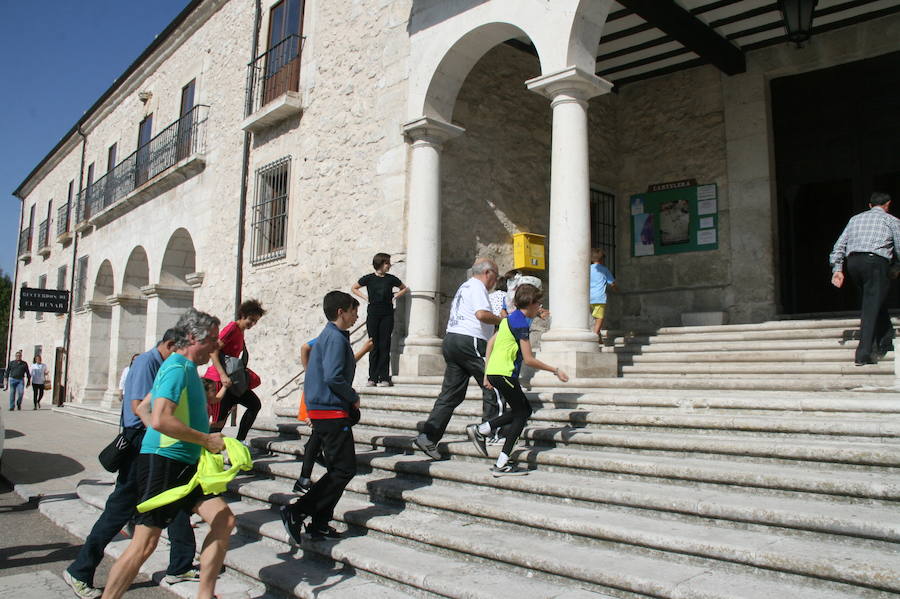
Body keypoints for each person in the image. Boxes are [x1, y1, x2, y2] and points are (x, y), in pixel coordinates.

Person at [100, 309, 234, 599]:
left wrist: (161, 437)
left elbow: (144, 408)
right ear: (191, 337)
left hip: (186, 463)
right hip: (165, 465)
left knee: (224, 520)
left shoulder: (184, 370)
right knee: (144, 544)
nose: (216, 346)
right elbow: (159, 418)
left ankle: (204, 595)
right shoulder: (176, 369)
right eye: (211, 339)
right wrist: (203, 439)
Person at [64, 329, 198, 599]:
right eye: (179, 349)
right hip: (142, 444)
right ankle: (80, 570)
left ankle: (180, 564)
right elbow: (140, 406)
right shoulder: (147, 363)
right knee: (119, 508)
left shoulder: (163, 363)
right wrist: (161, 441)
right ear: (171, 344)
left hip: (151, 444)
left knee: (175, 500)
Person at [281, 291, 360, 542]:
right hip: (331, 410)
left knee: (338, 469)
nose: (357, 316)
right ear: (341, 312)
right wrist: (352, 395)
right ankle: (297, 511)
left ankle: (319, 523)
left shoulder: (326, 336)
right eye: (353, 310)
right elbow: (334, 376)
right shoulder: (335, 338)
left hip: (324, 410)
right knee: (344, 469)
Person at [466, 284, 569, 476]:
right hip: (505, 373)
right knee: (521, 414)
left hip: (497, 372)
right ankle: (501, 462)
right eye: (538, 303)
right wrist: (555, 370)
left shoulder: (509, 319)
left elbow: (491, 343)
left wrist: (488, 373)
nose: (540, 306)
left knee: (523, 410)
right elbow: (529, 359)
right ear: (530, 303)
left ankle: (483, 429)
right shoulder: (521, 325)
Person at [414, 258, 502, 460]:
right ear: (488, 273)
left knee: (451, 394)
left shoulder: (465, 286)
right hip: (470, 340)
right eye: (495, 277)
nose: (495, 282)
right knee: (494, 383)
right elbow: (481, 314)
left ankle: (428, 437)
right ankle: (490, 434)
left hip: (452, 340)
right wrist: (502, 321)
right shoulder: (478, 287)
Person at [293, 337, 372, 495]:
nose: (355, 317)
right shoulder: (330, 338)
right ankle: (304, 479)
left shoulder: (338, 339)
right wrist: (309, 373)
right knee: (318, 437)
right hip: (322, 397)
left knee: (320, 435)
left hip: (324, 397)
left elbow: (343, 367)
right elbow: (304, 347)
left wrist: (364, 350)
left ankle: (305, 478)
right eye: (353, 312)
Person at [829, 191, 900, 365]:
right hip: (875, 262)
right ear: (888, 205)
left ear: (869, 205)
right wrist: (897, 266)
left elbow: (839, 245)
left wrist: (837, 269)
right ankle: (864, 353)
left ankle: (886, 337)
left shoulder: (855, 219)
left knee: (873, 298)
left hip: (854, 263)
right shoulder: (891, 220)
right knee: (871, 303)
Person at [205, 299, 266, 442]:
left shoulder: (240, 331)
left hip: (233, 381)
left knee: (254, 405)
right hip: (220, 380)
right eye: (251, 320)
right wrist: (222, 375)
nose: (253, 324)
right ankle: (204, 453)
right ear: (242, 315)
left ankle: (240, 441)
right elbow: (213, 350)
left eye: (255, 321)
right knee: (218, 421)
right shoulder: (232, 328)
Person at [351, 252, 408, 387]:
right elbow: (354, 288)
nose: (389, 265)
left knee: (385, 344)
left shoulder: (390, 279)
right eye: (387, 263)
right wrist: (366, 298)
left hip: (387, 314)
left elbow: (404, 288)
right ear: (381, 263)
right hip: (373, 314)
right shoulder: (369, 278)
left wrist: (394, 297)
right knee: (373, 345)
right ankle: (372, 377)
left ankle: (384, 377)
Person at [589, 248, 618, 345]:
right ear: (602, 260)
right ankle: (594, 336)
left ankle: (599, 339)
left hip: (588, 298)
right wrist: (616, 289)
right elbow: (612, 283)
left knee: (594, 318)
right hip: (599, 297)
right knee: (599, 318)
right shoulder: (604, 270)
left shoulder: (587, 269)